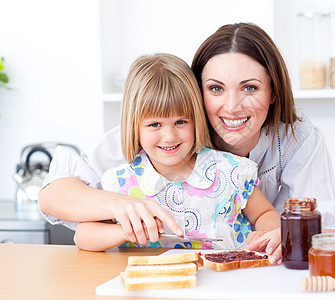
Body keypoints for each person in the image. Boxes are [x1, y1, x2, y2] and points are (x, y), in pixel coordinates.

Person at [38, 23, 335, 264]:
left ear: (273, 92)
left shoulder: (263, 156)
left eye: (251, 87)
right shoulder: (142, 140)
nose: (232, 106)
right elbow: (56, 197)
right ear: (197, 92)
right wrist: (125, 212)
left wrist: (280, 234)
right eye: (216, 88)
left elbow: (319, 213)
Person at [72, 53, 281, 253]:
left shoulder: (231, 171)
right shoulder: (122, 183)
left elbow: (265, 213)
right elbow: (82, 236)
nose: (169, 136)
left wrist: (265, 233)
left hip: (227, 280)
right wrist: (126, 231)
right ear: (134, 126)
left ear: (196, 119)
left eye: (180, 122)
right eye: (155, 124)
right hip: (154, 285)